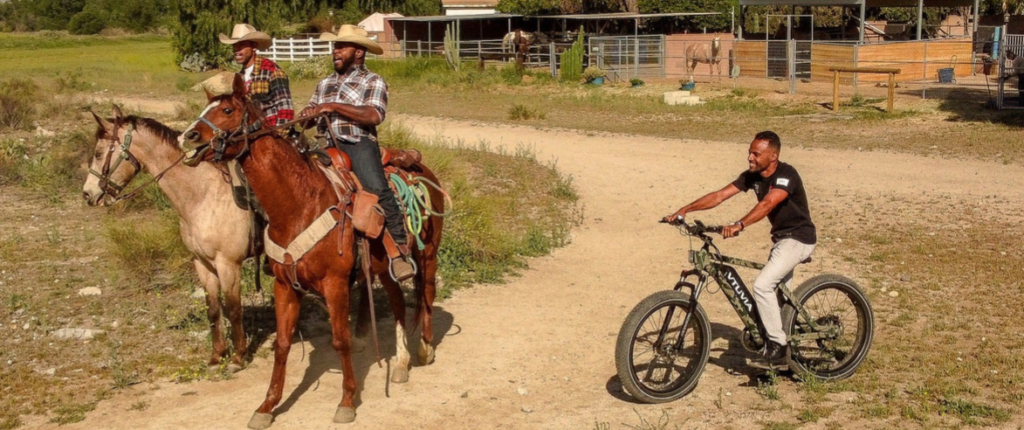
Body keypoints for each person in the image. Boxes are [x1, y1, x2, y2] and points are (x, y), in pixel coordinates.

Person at [663, 131, 816, 370]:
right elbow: (720, 195)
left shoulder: (787, 175)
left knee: (763, 286)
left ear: (773, 155)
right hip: (780, 240)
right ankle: (782, 336)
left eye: (756, 154)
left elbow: (767, 204)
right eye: (749, 152)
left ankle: (778, 346)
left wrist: (740, 224)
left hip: (798, 239)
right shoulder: (752, 177)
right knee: (777, 296)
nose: (750, 158)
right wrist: (686, 209)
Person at [299, 25, 415, 281]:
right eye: (335, 47)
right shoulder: (324, 83)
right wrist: (307, 116)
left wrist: (333, 106)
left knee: (376, 187)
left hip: (357, 142)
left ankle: (398, 250)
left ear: (359, 52)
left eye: (342, 47)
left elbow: (374, 115)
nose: (335, 51)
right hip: (324, 145)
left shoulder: (373, 81)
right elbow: (308, 113)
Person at [218, 23, 294, 127]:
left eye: (242, 45)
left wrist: (278, 135)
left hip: (271, 132)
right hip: (249, 134)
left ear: (254, 47)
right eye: (235, 46)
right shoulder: (240, 76)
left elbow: (285, 109)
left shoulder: (272, 71)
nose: (237, 50)